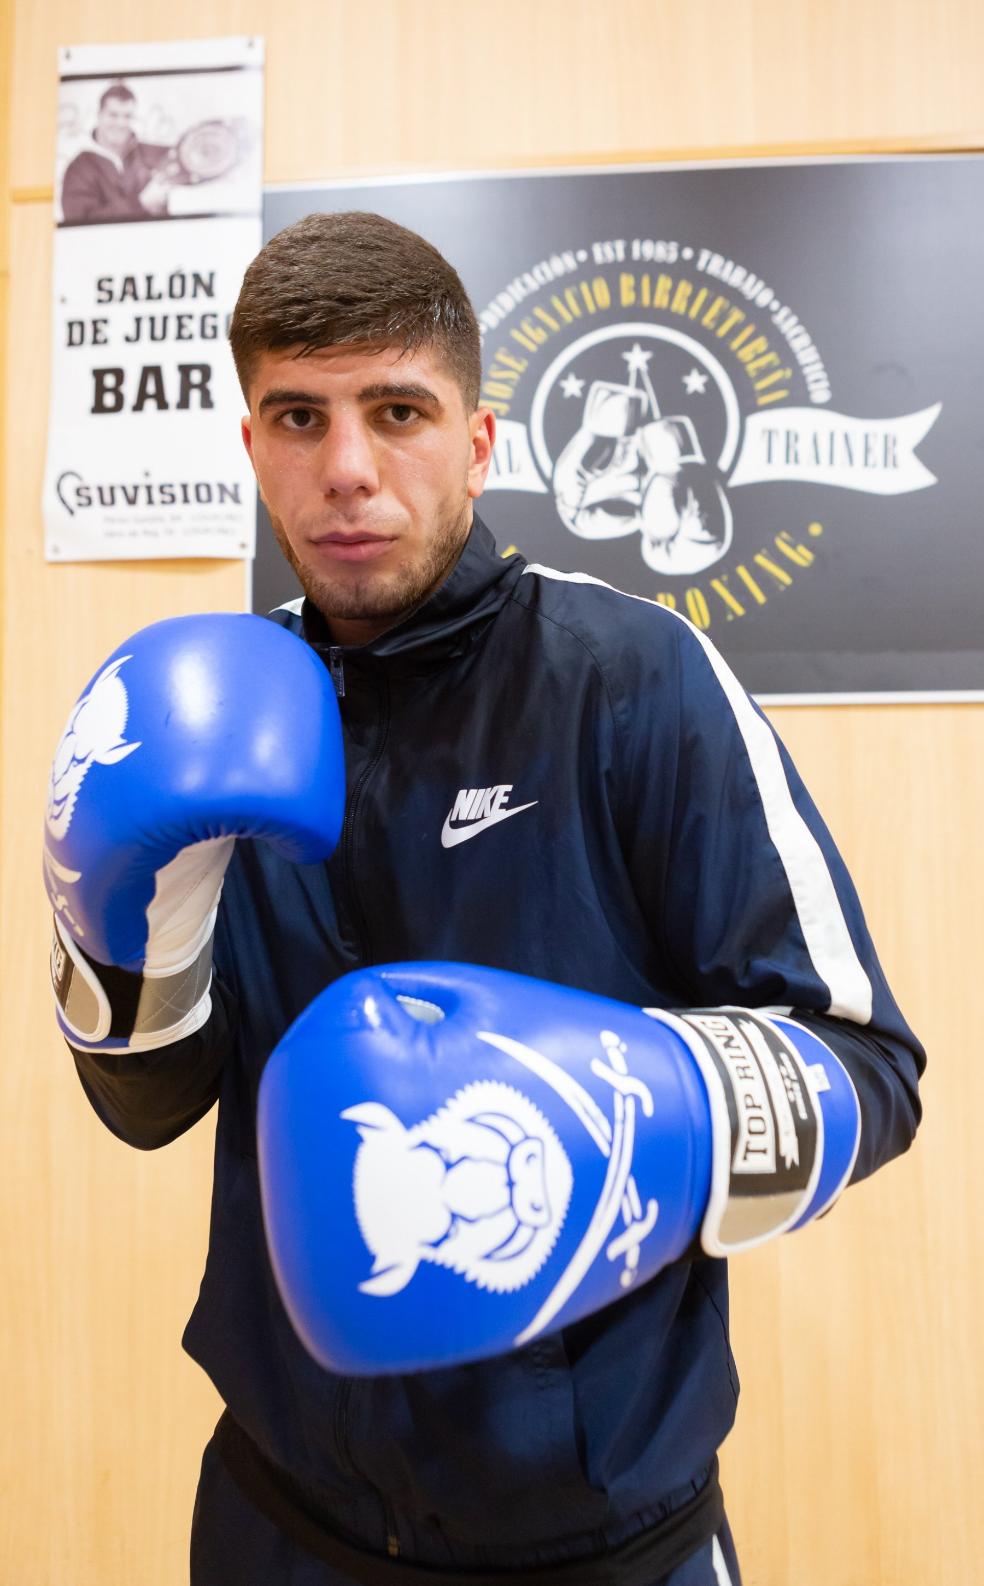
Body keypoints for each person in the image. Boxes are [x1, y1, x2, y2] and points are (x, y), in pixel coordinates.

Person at [51, 211, 924, 1584]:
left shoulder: (632, 678)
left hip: (597, 1534)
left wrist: (630, 1117)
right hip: (282, 1511)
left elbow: (871, 1067)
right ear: (250, 446)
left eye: (397, 410)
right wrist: (116, 913)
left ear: (477, 440)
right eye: (299, 416)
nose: (347, 469)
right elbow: (151, 1105)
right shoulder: (209, 716)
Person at [61, 82, 174, 223]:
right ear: (99, 115)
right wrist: (140, 203)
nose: (121, 123)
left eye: (127, 116)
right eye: (113, 115)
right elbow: (80, 225)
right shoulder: (79, 169)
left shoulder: (148, 154)